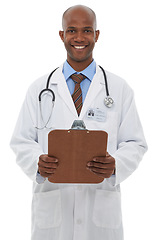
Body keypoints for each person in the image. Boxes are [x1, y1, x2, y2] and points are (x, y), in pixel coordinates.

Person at [10, 5, 147, 240]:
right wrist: (37, 163)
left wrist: (116, 165)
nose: (79, 38)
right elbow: (21, 141)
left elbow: (135, 142)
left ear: (97, 35)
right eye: (72, 30)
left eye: (87, 30)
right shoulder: (39, 89)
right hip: (53, 214)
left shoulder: (119, 88)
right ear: (62, 35)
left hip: (101, 212)